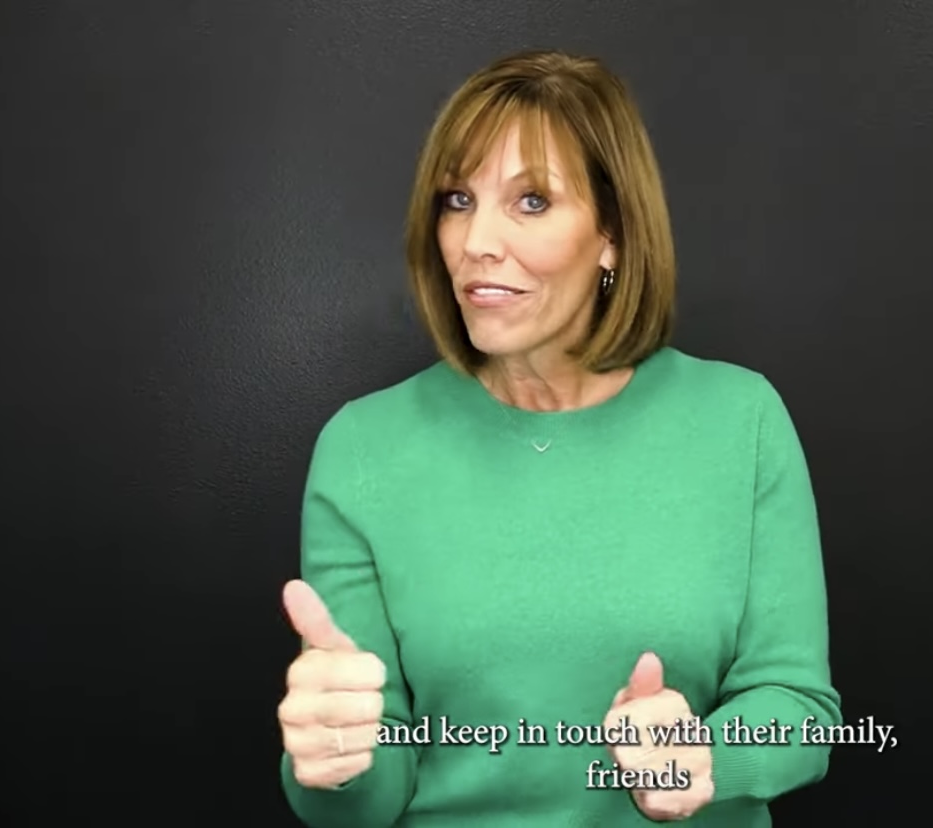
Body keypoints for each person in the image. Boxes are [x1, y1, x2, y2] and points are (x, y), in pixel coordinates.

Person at [276, 49, 843, 827]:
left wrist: (708, 758)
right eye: (456, 199)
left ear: (611, 234)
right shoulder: (363, 448)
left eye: (531, 201)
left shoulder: (739, 420)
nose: (475, 241)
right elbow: (367, 804)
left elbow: (801, 712)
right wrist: (335, 761)